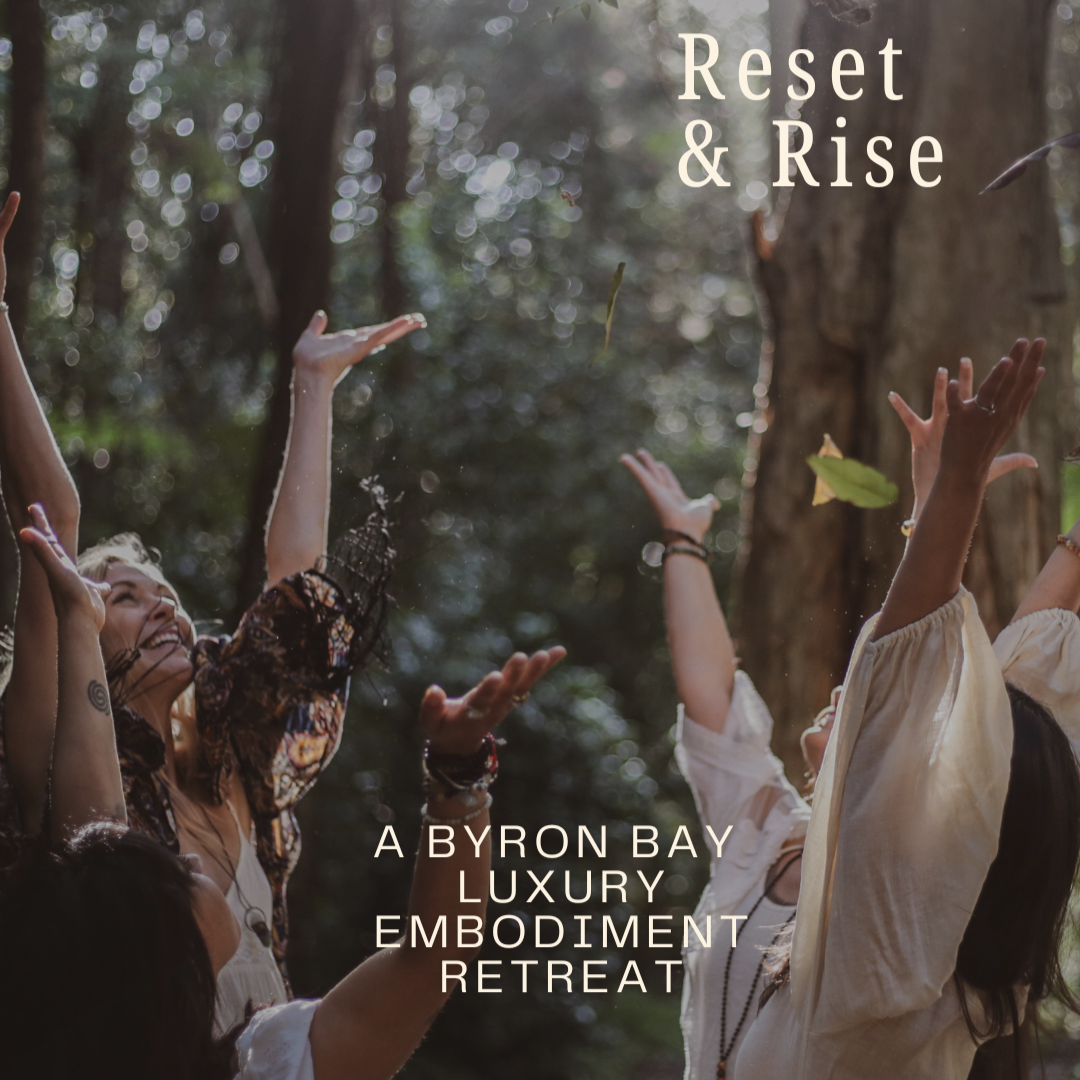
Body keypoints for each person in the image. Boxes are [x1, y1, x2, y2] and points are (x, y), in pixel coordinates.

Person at [0, 189, 421, 1027]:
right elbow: (52, 505)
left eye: (167, 597)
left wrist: (313, 388)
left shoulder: (228, 746)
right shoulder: (54, 751)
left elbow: (292, 585)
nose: (162, 609)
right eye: (121, 595)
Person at [0, 502, 567, 1080]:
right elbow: (434, 958)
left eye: (164, 592)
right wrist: (457, 776)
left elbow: (434, 955)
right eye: (121, 597)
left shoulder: (263, 1054)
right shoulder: (245, 1056)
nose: (183, 865)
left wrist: (461, 770)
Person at [619, 359, 1038, 1080]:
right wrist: (685, 541)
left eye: (871, 701)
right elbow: (710, 694)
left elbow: (909, 658)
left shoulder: (907, 897)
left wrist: (950, 498)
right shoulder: (763, 836)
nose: (850, 688)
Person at [731, 337, 1080, 1079]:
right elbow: (1018, 687)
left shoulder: (870, 977)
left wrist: (955, 487)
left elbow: (899, 666)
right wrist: (943, 511)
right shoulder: (962, 965)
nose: (864, 705)